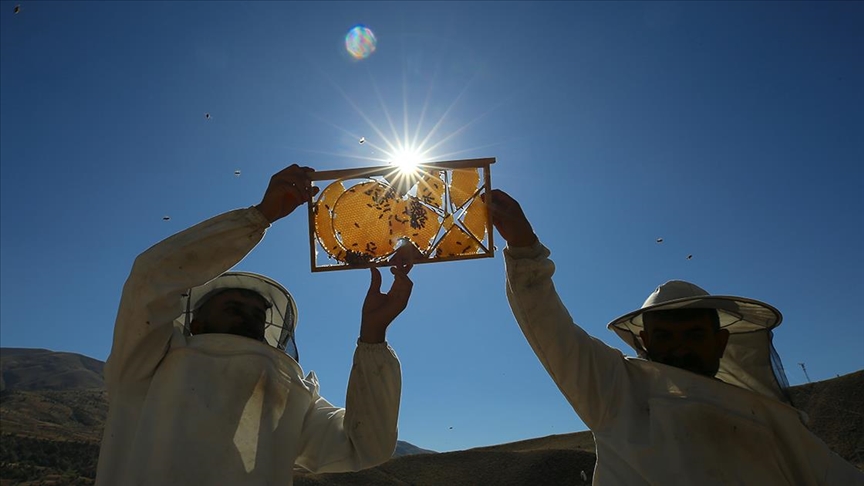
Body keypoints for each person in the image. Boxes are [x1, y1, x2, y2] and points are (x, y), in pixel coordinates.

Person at [484, 189, 864, 485]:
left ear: (720, 342)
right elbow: (548, 327)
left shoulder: (773, 421)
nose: (680, 346)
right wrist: (524, 248)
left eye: (694, 333)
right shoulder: (615, 390)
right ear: (645, 342)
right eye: (665, 335)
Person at [96, 164, 415, 485]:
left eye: (257, 315)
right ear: (198, 320)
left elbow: (365, 445)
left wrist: (373, 336)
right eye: (233, 307)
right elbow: (151, 277)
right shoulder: (147, 364)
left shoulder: (291, 394)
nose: (248, 316)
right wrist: (259, 216)